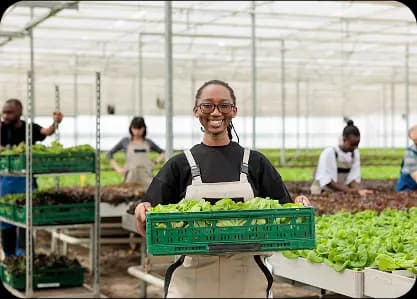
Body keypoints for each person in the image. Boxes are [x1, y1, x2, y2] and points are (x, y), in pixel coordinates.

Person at [134, 79, 310, 298]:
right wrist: (142, 209)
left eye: (224, 105)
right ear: (196, 110)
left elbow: (286, 212)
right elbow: (150, 212)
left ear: (234, 111)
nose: (215, 112)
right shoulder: (179, 165)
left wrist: (299, 206)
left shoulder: (255, 162)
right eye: (207, 105)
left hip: (247, 282)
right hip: (191, 284)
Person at [0, 98, 63, 257]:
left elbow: (46, 132)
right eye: (4, 112)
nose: (6, 115)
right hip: (4, 183)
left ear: (19, 113)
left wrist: (56, 123)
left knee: (25, 219)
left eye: (10, 112)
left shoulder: (29, 128)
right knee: (6, 220)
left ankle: (24, 256)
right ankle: (9, 256)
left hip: (25, 182)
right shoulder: (1, 128)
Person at [310, 120, 372, 196]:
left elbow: (352, 179)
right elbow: (327, 181)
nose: (355, 147)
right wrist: (352, 192)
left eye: (357, 144)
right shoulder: (330, 153)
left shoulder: (355, 154)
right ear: (344, 139)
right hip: (322, 190)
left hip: (339, 191)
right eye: (352, 144)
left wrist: (359, 191)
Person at [107, 116, 164, 189]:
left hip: (146, 178)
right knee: (129, 197)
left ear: (144, 129)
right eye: (134, 128)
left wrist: (154, 162)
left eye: (139, 129)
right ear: (131, 128)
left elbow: (162, 152)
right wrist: (118, 168)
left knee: (148, 197)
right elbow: (109, 154)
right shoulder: (125, 141)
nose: (137, 131)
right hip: (130, 177)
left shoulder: (148, 142)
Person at [396, 124, 417, 191]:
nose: (416, 142)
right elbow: (415, 175)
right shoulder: (410, 153)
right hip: (407, 188)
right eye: (414, 140)